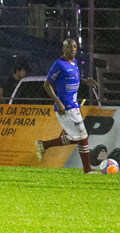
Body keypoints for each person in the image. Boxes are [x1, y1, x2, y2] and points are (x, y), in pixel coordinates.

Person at [34, 38, 98, 173]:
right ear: (63, 49)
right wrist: (58, 102)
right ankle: (87, 170)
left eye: (74, 46)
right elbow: (47, 84)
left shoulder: (74, 62)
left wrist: (85, 81)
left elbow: (72, 78)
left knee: (77, 137)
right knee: (82, 136)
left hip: (74, 105)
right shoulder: (59, 64)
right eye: (69, 46)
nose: (73, 49)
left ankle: (44, 145)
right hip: (66, 107)